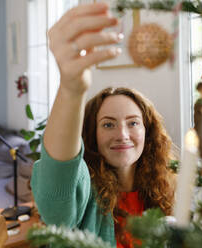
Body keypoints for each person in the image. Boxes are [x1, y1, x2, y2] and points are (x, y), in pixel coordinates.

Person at [30, 3, 175, 248]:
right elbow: (57, 196)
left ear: (148, 132)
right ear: (92, 134)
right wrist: (71, 88)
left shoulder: (164, 186)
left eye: (133, 123)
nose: (122, 134)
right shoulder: (85, 190)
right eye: (108, 125)